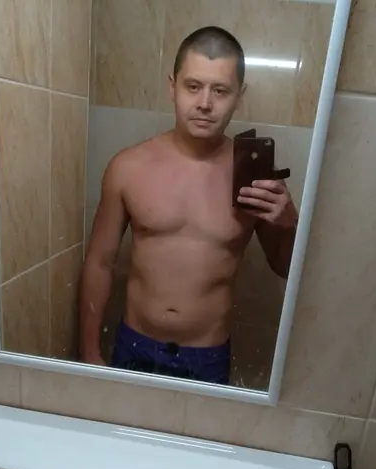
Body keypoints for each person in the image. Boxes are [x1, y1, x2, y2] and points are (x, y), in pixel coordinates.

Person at [80, 26, 298, 385]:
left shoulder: (255, 177)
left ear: (239, 96)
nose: (205, 103)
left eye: (220, 90)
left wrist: (289, 225)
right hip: (134, 344)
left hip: (207, 356)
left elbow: (285, 268)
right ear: (173, 86)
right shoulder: (128, 167)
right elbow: (99, 262)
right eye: (193, 86)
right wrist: (90, 353)